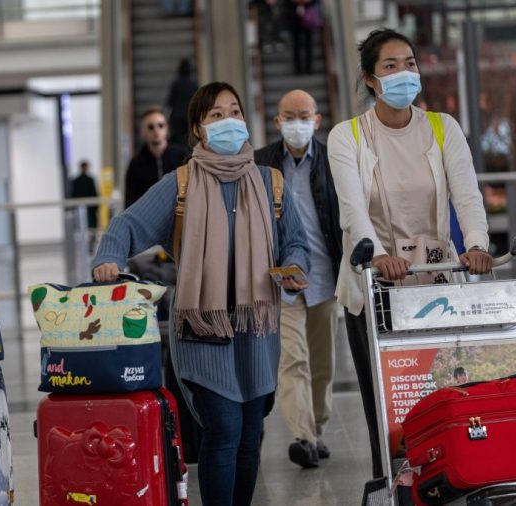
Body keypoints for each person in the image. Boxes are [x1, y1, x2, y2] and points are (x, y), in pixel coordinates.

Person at [93, 81, 311, 506]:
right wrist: (109, 257)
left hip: (255, 327)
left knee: (251, 432)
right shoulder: (180, 184)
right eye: (216, 115)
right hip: (201, 325)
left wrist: (295, 268)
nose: (229, 121)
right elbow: (126, 225)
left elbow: (295, 243)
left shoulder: (269, 182)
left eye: (235, 111)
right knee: (224, 428)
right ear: (198, 129)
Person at [327, 28, 492, 479]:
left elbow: (467, 195)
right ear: (371, 79)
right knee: (388, 405)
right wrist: (378, 256)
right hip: (377, 287)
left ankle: (450, 477)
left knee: (444, 389)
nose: (404, 73)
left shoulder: (442, 127)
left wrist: (476, 244)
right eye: (390, 66)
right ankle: (393, 484)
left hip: (436, 281)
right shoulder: (347, 137)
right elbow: (352, 209)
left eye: (410, 63)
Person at [254, 89, 342, 469]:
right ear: (277, 122)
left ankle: (317, 428)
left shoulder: (333, 160)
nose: (297, 124)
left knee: (323, 362)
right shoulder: (261, 164)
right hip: (282, 281)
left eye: (304, 116)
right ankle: (303, 437)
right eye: (289, 117)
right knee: (293, 359)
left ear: (317, 120)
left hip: (324, 276)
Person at [124, 106, 189, 208]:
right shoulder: (136, 164)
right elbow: (130, 202)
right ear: (142, 131)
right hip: (148, 215)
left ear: (167, 128)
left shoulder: (182, 157)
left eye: (160, 125)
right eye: (150, 127)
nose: (156, 130)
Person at [166, 58, 199, 148]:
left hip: (177, 117)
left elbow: (170, 101)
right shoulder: (194, 84)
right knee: (189, 141)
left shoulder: (176, 83)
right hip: (189, 117)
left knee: (177, 141)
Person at [287, 0, 321, 74]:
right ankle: (297, 69)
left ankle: (309, 68)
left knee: (308, 45)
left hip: (308, 18)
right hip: (295, 19)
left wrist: (304, 2)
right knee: (296, 46)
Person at [70, 160, 99, 230]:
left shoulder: (75, 180)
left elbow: (73, 195)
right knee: (90, 227)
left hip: (79, 207)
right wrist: (96, 207)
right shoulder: (90, 180)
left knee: (80, 226)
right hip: (89, 208)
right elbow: (94, 194)